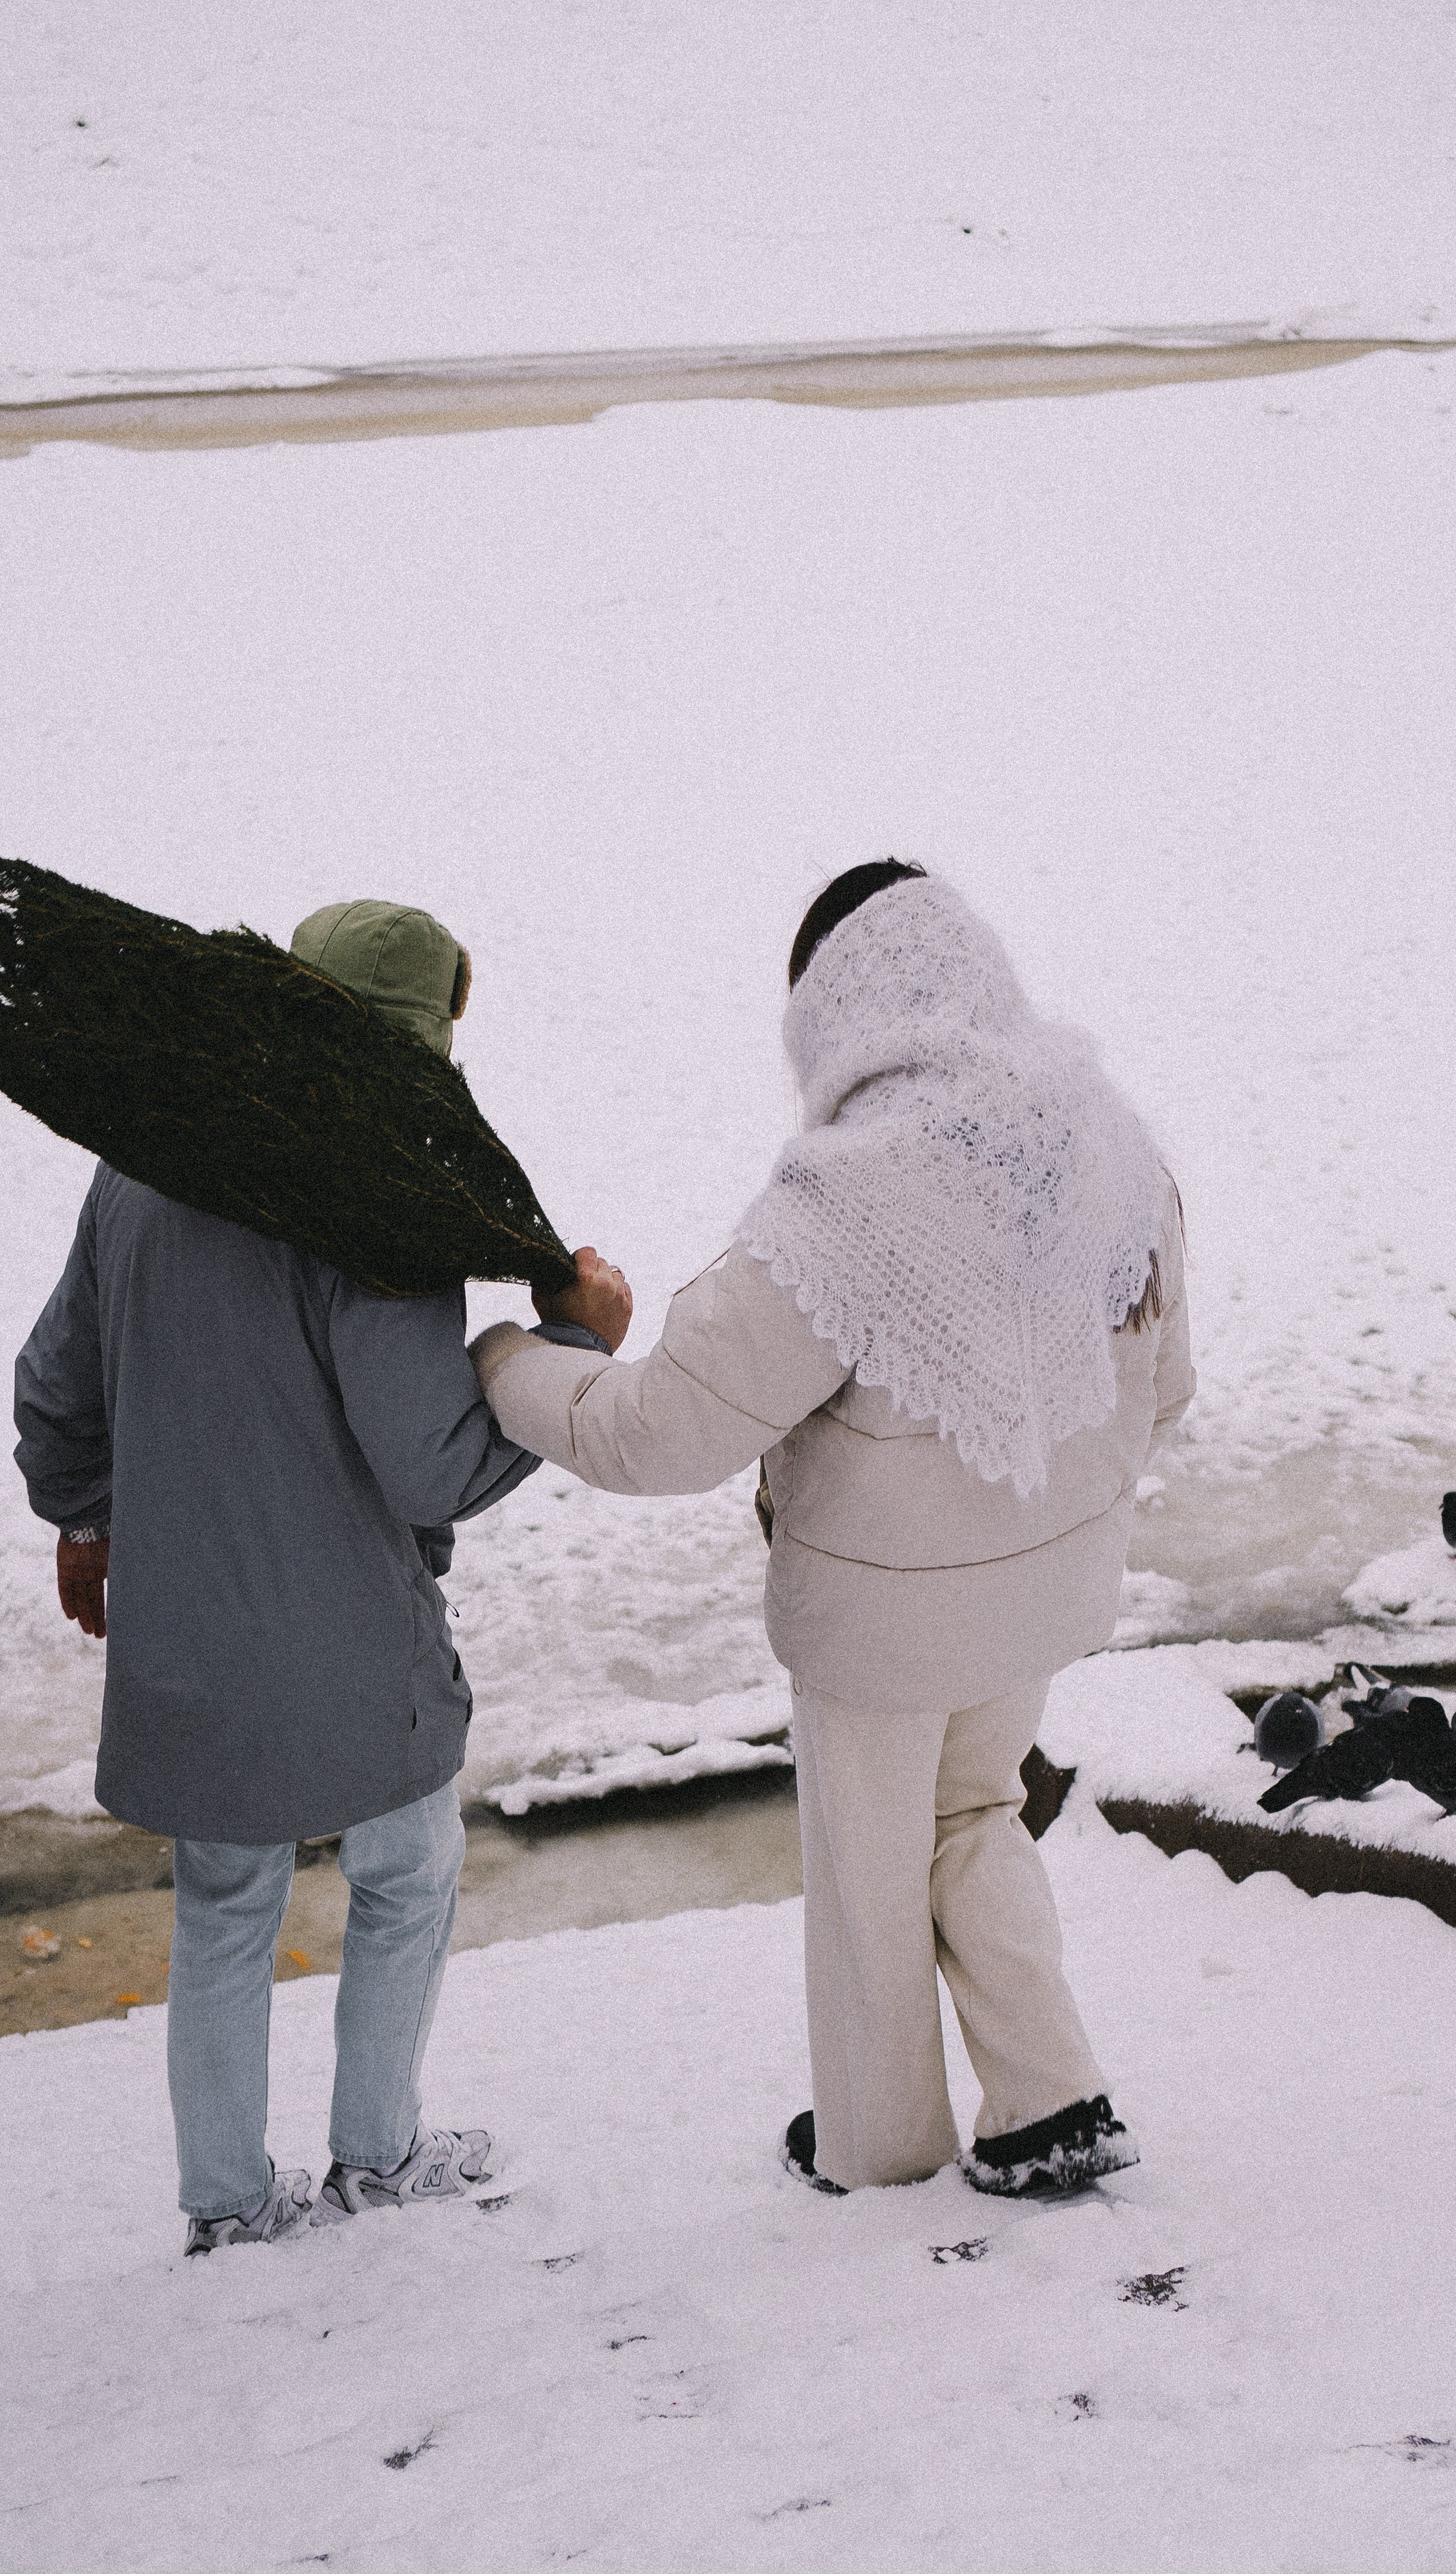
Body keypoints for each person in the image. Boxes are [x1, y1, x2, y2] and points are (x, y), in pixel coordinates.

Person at [470, 863, 1194, 2197]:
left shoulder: (845, 1200)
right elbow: (1165, 1386)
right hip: (1044, 1587)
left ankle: (879, 2148)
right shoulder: (1108, 1145)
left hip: (874, 1622)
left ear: (835, 1011)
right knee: (978, 1811)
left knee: (870, 1866)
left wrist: (509, 1361)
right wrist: (1037, 1501)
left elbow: (658, 1435)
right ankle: (1048, 2099)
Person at [13, 898, 605, 2255]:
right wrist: (572, 1343)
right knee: (408, 1870)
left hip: (185, 1641)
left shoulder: (142, 1164)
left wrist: (85, 1518)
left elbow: (56, 1384)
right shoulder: (374, 1200)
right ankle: (379, 2156)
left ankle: (227, 2206)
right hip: (351, 1649)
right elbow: (432, 1470)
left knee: (225, 1907)